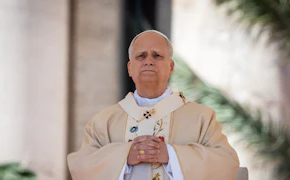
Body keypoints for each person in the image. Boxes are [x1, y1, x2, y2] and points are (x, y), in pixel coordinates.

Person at [67, 30, 240, 180]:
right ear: (130, 68)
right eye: (141, 56)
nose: (148, 61)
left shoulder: (202, 118)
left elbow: (227, 163)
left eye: (157, 56)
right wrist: (124, 157)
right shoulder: (104, 122)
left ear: (171, 67)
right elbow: (82, 166)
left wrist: (172, 156)